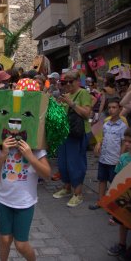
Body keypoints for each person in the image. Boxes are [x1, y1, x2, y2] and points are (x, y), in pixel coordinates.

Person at [0, 136, 51, 261]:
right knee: (4, 239)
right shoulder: (1, 144)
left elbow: (47, 174)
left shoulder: (35, 146)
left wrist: (30, 156)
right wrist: (3, 153)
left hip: (24, 203)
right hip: (3, 200)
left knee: (21, 244)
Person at [53, 70, 92, 207]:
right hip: (65, 134)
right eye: (65, 82)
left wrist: (72, 104)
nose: (68, 84)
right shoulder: (66, 95)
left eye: (71, 81)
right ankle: (67, 187)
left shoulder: (83, 93)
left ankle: (78, 193)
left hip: (78, 134)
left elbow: (87, 114)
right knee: (63, 163)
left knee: (76, 163)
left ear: (78, 81)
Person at [89, 98, 128, 210]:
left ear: (119, 109)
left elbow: (123, 144)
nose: (111, 110)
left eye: (114, 107)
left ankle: (113, 203)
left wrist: (120, 159)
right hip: (104, 158)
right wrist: (99, 144)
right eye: (110, 107)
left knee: (114, 182)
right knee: (102, 179)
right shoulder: (106, 123)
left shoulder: (122, 126)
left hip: (115, 159)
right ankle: (100, 201)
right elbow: (103, 137)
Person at [106, 127, 131, 259]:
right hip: (124, 196)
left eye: (130, 141)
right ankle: (122, 244)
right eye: (125, 141)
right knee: (122, 222)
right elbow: (116, 178)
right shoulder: (123, 158)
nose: (127, 144)